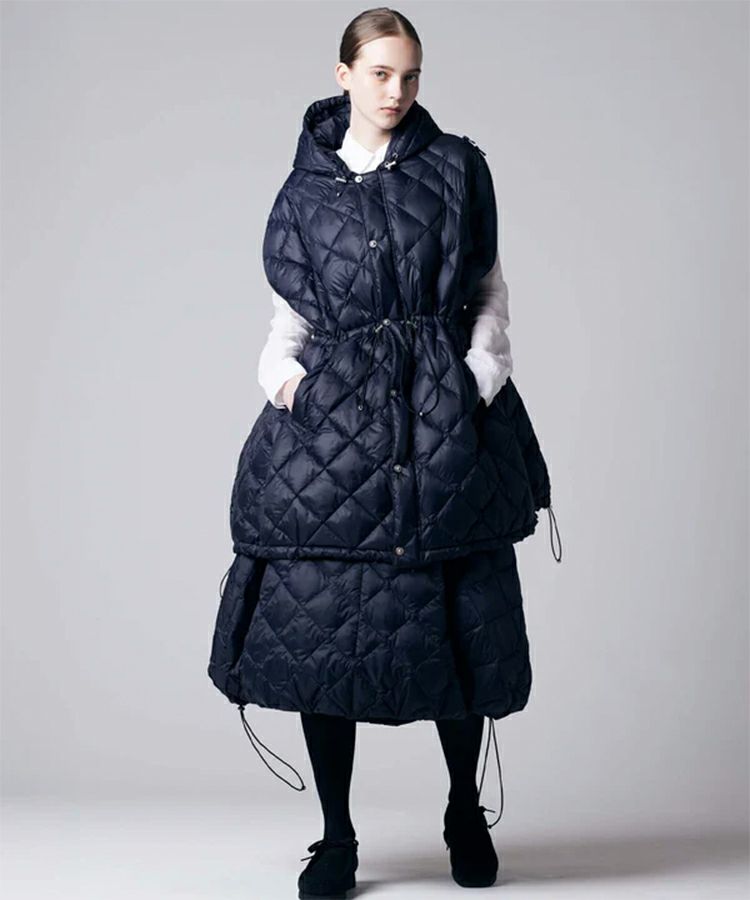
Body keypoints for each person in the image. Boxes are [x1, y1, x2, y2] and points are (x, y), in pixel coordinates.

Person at [208, 8, 562, 898]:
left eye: (411, 75)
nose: (397, 91)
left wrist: (477, 380)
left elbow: (489, 291)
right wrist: (288, 387)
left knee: (456, 622)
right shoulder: (302, 192)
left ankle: (463, 811)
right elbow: (288, 319)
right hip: (330, 434)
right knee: (323, 632)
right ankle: (337, 838)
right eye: (380, 74)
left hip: (444, 424)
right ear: (343, 76)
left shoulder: (459, 168)